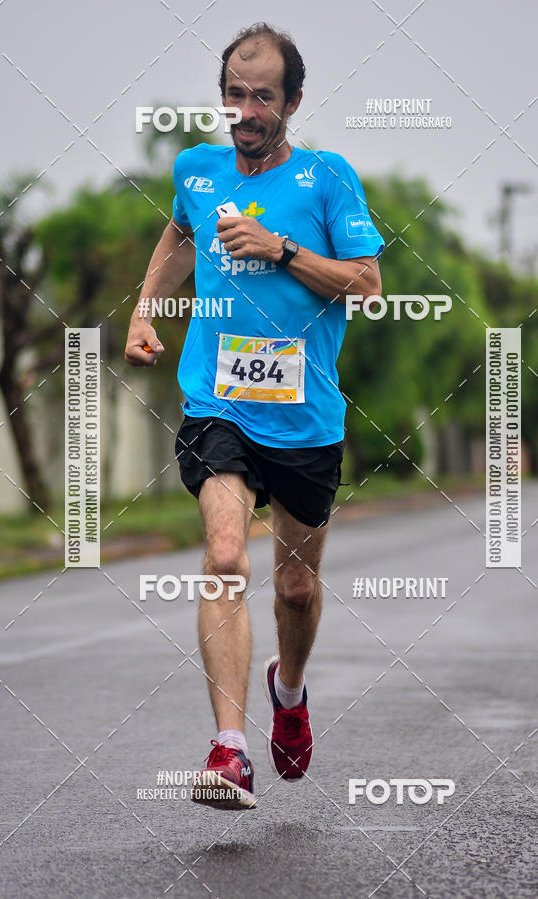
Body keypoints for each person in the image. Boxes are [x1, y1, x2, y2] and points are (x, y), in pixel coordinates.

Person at [125, 22, 383, 810]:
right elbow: (178, 233)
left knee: (297, 589)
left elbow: (367, 284)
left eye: (261, 97)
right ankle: (229, 750)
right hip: (217, 404)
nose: (244, 110)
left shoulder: (328, 179)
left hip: (306, 421)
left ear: (292, 101)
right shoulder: (197, 171)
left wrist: (279, 249)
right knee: (227, 556)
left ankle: (291, 690)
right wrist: (145, 307)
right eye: (234, 95)